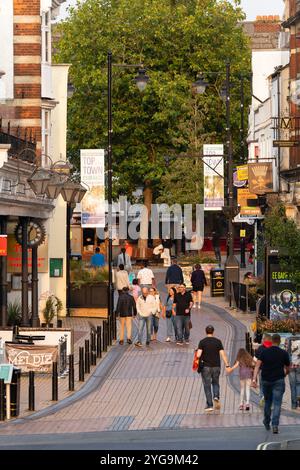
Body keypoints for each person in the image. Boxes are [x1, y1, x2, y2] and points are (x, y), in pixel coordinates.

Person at [252, 333, 290, 434]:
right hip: (279, 380)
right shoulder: (283, 353)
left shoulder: (264, 352)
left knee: (268, 402)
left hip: (266, 380)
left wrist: (254, 379)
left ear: (272, 341)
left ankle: (266, 420)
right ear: (279, 342)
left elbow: (257, 365)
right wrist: (285, 374)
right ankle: (275, 425)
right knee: (277, 404)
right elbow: (288, 367)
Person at [196, 325, 230, 412]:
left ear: (206, 331)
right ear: (213, 332)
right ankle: (216, 396)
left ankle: (210, 405)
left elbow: (198, 355)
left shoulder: (202, 342)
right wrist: (227, 365)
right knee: (215, 382)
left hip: (206, 367)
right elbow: (223, 354)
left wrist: (197, 352)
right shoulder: (218, 342)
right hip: (216, 366)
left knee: (207, 386)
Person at [255, 333, 273, 407]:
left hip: (262, 370)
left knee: (262, 385)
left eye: (262, 339)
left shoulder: (260, 348)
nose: (261, 340)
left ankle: (262, 398)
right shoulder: (273, 348)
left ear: (264, 340)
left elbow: (255, 360)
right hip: (272, 371)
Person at [287, 337, 300, 409]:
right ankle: (299, 404)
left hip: (291, 365)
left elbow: (287, 353)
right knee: (299, 384)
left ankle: (293, 404)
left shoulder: (289, 339)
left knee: (293, 386)